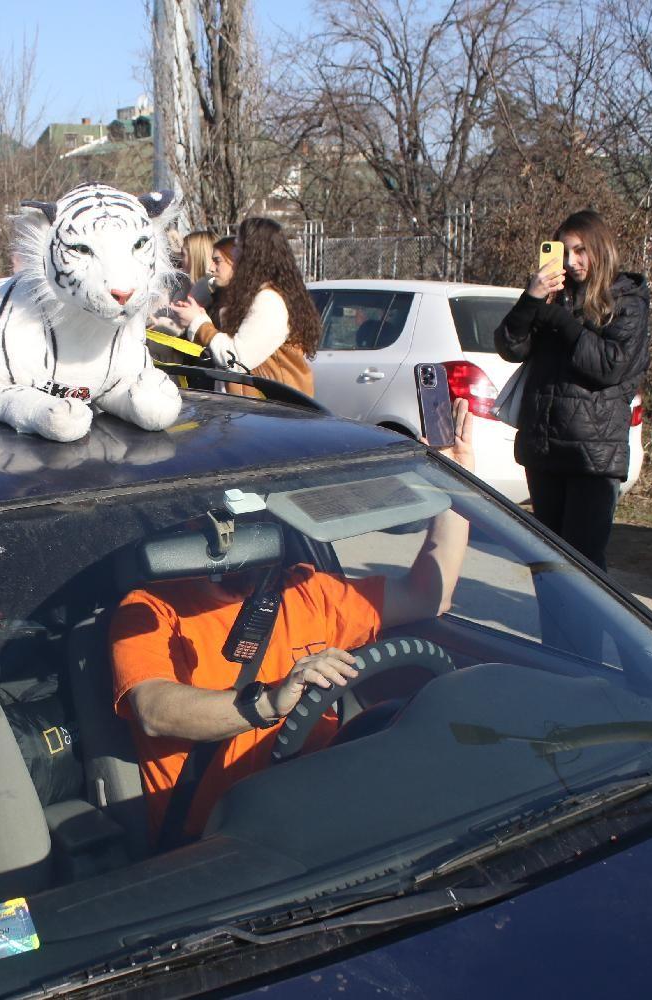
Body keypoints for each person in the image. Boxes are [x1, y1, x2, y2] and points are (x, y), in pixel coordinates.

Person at [111, 400, 474, 844]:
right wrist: (268, 703)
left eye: (259, 511)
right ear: (192, 521)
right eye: (225, 513)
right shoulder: (149, 607)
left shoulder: (310, 591)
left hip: (321, 816)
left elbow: (427, 595)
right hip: (218, 842)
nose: (244, 526)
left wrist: (454, 489)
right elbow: (153, 710)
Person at [495, 209, 650, 570]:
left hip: (592, 455)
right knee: (548, 564)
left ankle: (585, 630)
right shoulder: (555, 296)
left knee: (584, 568)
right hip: (545, 448)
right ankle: (552, 629)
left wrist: (558, 321)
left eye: (580, 250)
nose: (571, 261)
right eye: (564, 251)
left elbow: (608, 365)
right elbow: (509, 346)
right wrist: (531, 300)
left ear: (601, 248)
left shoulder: (626, 300)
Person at [168, 218, 319, 397]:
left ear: (254, 254)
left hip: (274, 412)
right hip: (255, 411)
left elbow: (237, 359)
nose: (234, 253)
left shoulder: (269, 300)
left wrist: (199, 323)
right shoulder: (254, 295)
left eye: (238, 246)